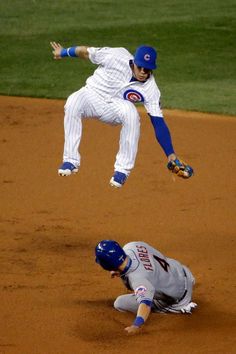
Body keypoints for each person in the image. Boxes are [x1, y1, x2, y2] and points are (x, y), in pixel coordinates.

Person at [50, 42, 194, 188]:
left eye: (148, 69)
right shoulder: (116, 56)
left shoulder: (151, 89)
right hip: (91, 96)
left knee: (131, 112)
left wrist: (170, 154)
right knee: (73, 101)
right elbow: (85, 52)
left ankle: (122, 171)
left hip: (114, 108)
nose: (143, 72)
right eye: (140, 67)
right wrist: (63, 52)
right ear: (134, 63)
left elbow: (158, 122)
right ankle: (70, 160)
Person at [95, 240, 197, 335]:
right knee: (153, 279)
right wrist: (117, 269)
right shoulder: (132, 246)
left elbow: (145, 304)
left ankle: (176, 308)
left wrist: (136, 325)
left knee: (119, 303)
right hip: (181, 271)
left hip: (179, 298)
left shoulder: (138, 279)